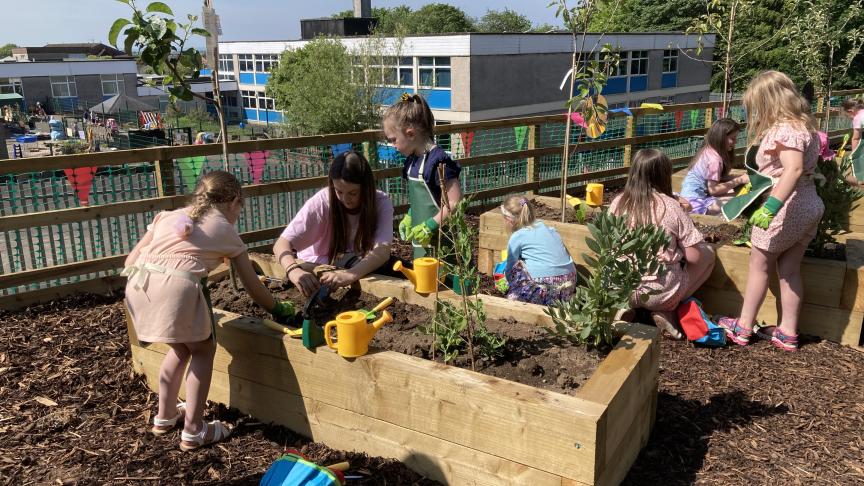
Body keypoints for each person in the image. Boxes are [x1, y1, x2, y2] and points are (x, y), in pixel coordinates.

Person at [124, 171, 294, 451]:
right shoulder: (225, 230)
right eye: (241, 208)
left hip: (138, 286)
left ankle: (165, 417)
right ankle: (193, 430)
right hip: (176, 288)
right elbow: (254, 288)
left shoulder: (166, 217)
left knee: (180, 348)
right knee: (203, 350)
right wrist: (279, 308)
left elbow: (131, 260)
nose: (239, 214)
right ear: (234, 201)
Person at [717, 71, 824, 352]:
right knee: (789, 269)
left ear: (767, 101)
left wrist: (771, 207)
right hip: (809, 202)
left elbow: (794, 169)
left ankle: (742, 326)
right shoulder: (806, 127)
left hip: (786, 206)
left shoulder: (784, 129)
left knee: (758, 265)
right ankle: (787, 332)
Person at [610, 148, 716, 338]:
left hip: (621, 288)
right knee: (708, 254)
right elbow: (694, 257)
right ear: (664, 175)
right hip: (659, 291)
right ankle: (668, 309)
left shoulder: (618, 202)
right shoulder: (671, 206)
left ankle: (625, 308)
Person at [273, 151, 394, 298]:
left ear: (366, 188)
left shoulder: (381, 202)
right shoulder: (322, 202)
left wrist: (350, 275)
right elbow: (281, 244)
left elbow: (382, 251)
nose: (345, 199)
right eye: (339, 191)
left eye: (353, 193)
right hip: (319, 263)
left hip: (353, 262)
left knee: (395, 267)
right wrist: (294, 271)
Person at [383, 93, 463, 259]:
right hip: (422, 245)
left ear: (410, 134)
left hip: (444, 243)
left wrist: (431, 225)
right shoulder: (412, 161)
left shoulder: (438, 161)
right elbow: (423, 201)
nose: (392, 146)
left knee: (444, 282)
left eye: (393, 140)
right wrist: (411, 215)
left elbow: (455, 202)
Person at [498, 195, 577, 305]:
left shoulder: (518, 236)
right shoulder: (549, 229)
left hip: (543, 287)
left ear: (509, 220)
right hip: (568, 284)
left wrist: (506, 282)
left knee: (516, 268)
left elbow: (510, 268)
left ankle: (528, 297)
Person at [679, 118, 749, 215]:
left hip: (689, 197)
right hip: (694, 203)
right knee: (739, 199)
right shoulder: (715, 160)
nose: (735, 142)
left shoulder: (708, 150)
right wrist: (740, 180)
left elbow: (715, 179)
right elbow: (713, 190)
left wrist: (737, 178)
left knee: (738, 194)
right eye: (732, 138)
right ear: (721, 138)